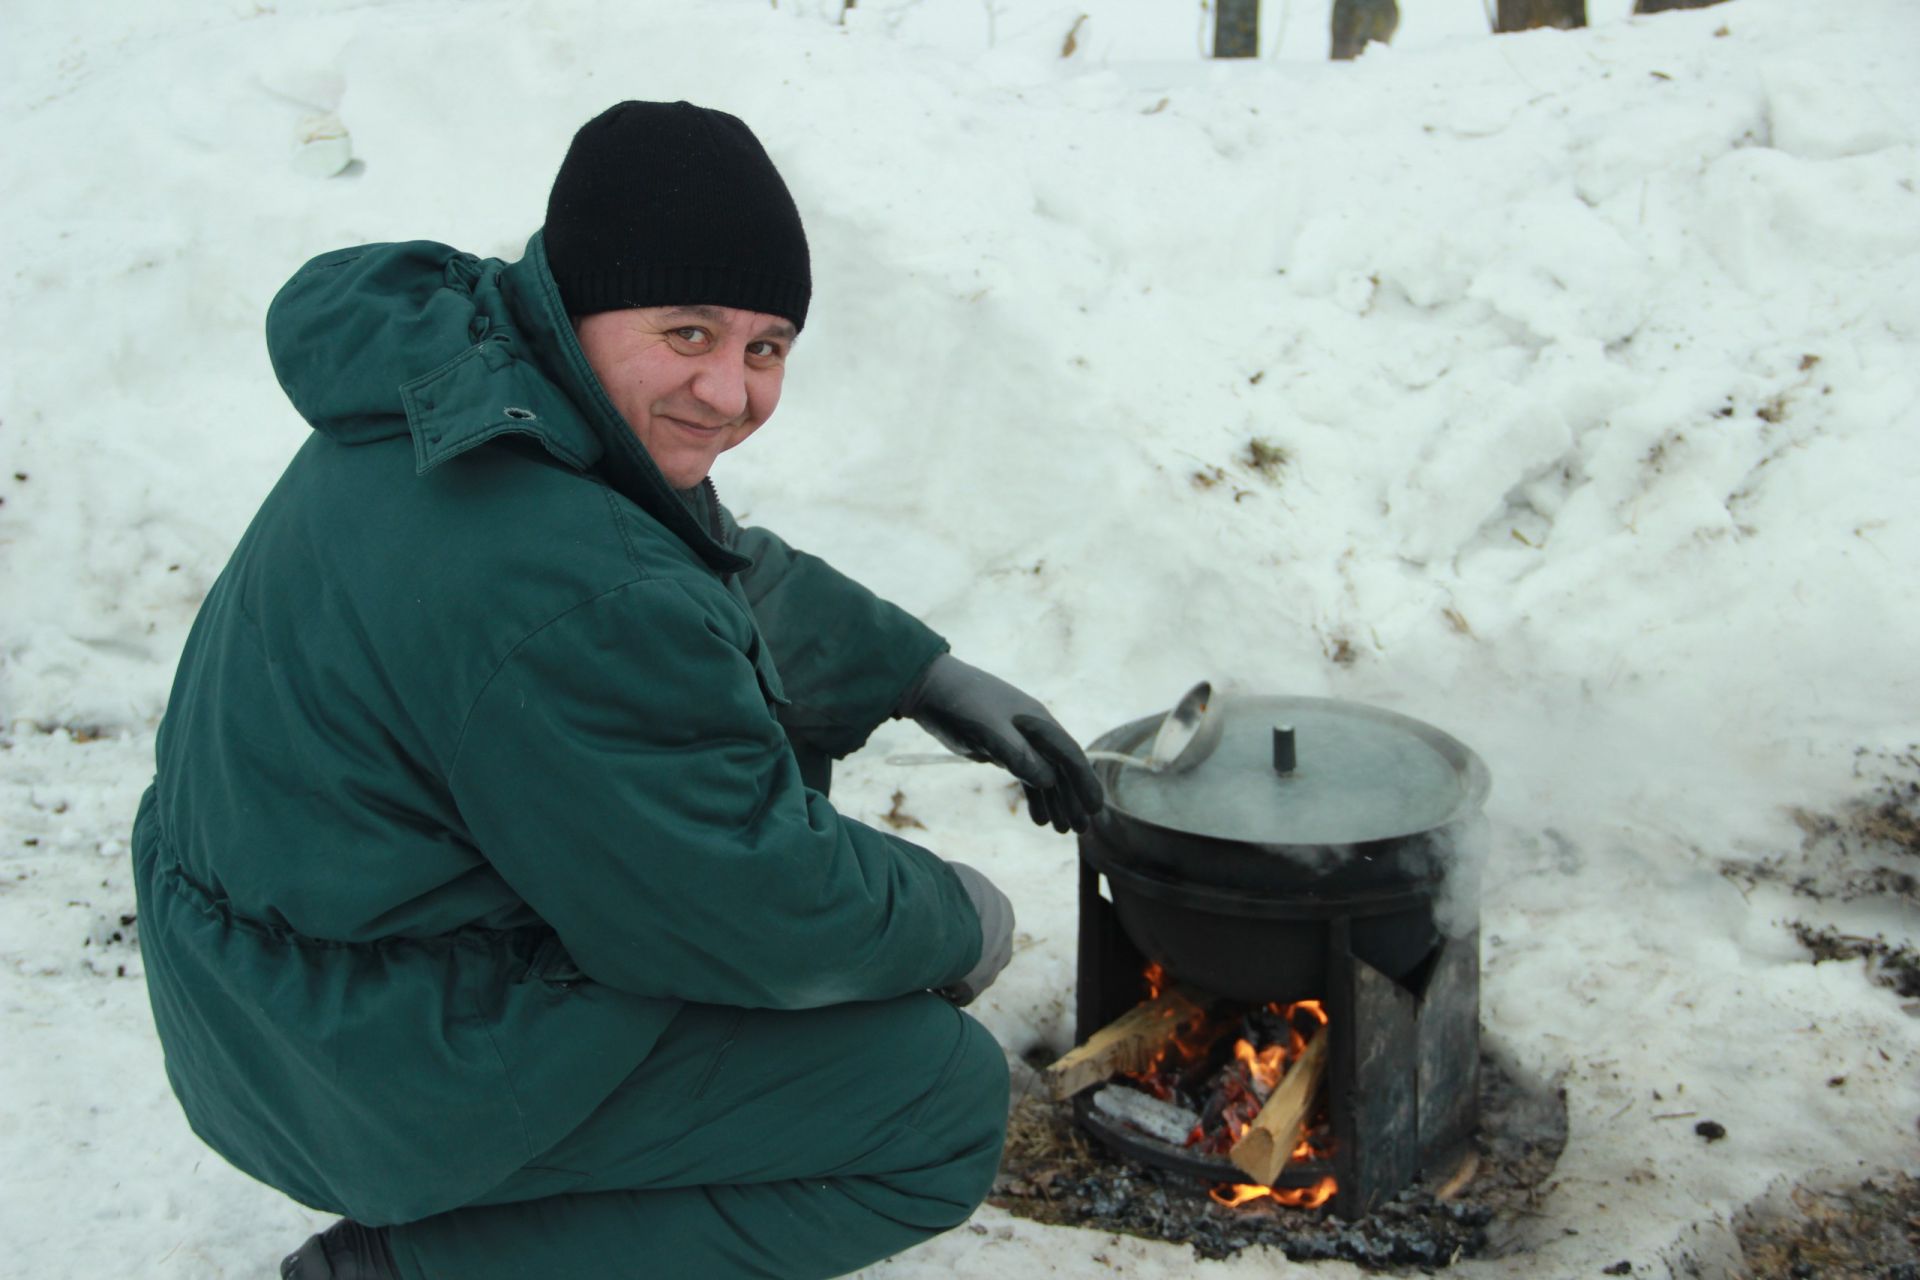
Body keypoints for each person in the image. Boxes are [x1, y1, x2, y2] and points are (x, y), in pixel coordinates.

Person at [129, 100, 1103, 1280]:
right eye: (687, 332)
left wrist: (915, 670)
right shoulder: (562, 572)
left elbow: (696, 562)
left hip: (270, 982)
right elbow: (752, 900)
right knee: (930, 1098)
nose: (730, 393)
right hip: (358, 1057)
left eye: (766, 347)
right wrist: (956, 911)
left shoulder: (464, 388)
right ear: (588, 302)